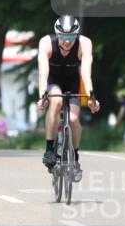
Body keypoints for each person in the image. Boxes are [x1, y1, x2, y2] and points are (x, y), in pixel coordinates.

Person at [36, 14, 100, 182]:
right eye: (63, 37)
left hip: (73, 82)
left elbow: (85, 72)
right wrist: (42, 97)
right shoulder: (46, 43)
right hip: (53, 81)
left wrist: (91, 96)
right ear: (57, 34)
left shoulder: (84, 43)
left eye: (71, 37)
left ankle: (75, 159)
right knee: (56, 101)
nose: (67, 41)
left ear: (76, 35)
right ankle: (49, 149)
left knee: (73, 119)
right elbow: (43, 73)